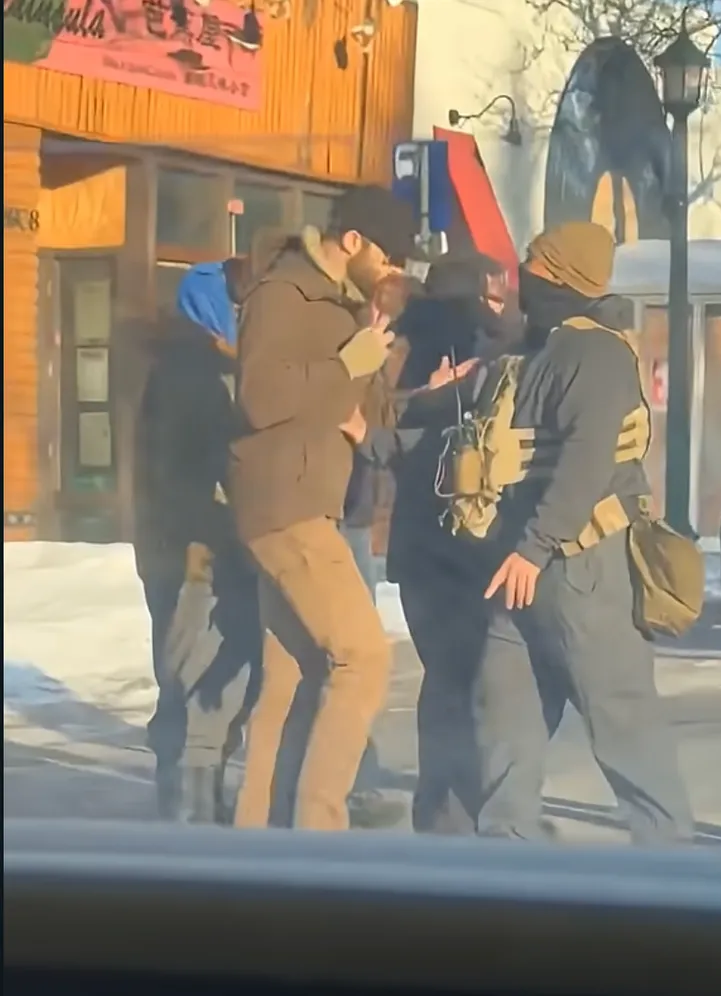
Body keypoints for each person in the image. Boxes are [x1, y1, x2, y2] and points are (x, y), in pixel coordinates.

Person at [467, 221, 694, 844]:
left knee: (621, 716)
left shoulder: (597, 354)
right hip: (518, 560)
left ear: (562, 276)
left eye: (535, 265)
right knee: (506, 716)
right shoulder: (535, 348)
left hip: (580, 562)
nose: (524, 275)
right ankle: (507, 856)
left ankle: (671, 856)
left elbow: (586, 461)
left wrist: (534, 547)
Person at [230, 185, 420, 831]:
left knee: (292, 677)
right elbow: (261, 397)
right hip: (287, 502)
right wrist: (351, 361)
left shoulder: (337, 302)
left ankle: (258, 838)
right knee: (364, 657)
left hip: (306, 497)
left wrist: (394, 378)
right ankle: (321, 831)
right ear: (353, 240)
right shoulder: (285, 293)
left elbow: (345, 407)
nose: (392, 271)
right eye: (388, 257)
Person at [364, 252, 531, 833]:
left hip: (416, 547)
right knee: (474, 680)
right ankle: (462, 812)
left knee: (445, 680)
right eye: (490, 294)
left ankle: (441, 813)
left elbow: (376, 436)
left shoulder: (397, 348)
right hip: (465, 545)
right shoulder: (482, 351)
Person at [133, 261, 262, 823]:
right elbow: (183, 467)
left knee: (182, 668)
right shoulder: (195, 371)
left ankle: (185, 797)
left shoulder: (179, 363)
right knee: (196, 671)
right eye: (235, 306)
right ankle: (191, 807)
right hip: (194, 548)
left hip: (172, 544)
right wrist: (203, 533)